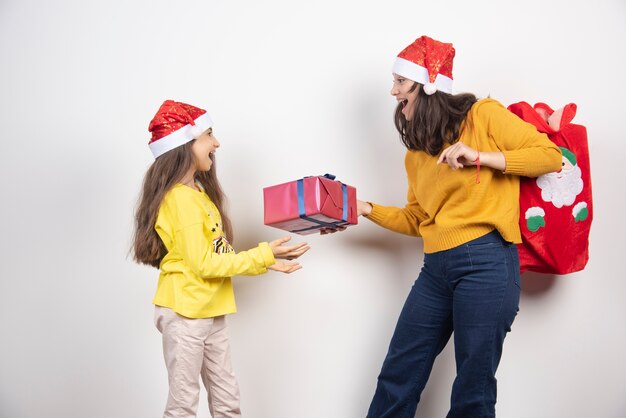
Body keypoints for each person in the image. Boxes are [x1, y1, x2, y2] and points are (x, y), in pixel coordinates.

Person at [357, 36, 563, 417]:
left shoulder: (482, 115)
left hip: (486, 262)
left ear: (427, 86)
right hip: (435, 270)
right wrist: (366, 208)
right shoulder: (417, 155)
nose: (393, 90)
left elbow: (549, 156)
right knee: (397, 375)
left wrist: (480, 157)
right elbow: (419, 220)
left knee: (472, 388)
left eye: (400, 82)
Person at [132, 100, 309, 418]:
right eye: (209, 135)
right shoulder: (181, 200)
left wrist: (266, 260)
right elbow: (205, 264)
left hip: (209, 308)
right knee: (184, 403)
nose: (216, 143)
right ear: (186, 144)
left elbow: (215, 254)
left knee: (227, 397)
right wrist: (263, 255)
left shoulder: (196, 194)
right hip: (186, 312)